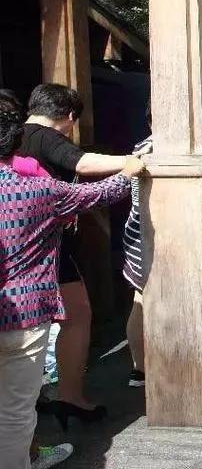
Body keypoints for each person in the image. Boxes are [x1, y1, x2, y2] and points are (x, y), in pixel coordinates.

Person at [0, 104, 141, 469]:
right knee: (16, 412)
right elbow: (99, 194)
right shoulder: (38, 190)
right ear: (15, 143)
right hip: (23, 316)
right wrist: (130, 170)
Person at [17, 83, 133, 423]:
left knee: (36, 323)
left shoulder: (15, 135)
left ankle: (39, 399)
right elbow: (82, 163)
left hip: (20, 242)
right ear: (69, 116)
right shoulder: (47, 137)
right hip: (48, 244)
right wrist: (131, 162)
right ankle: (68, 397)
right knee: (75, 316)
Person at [122, 121, 154, 388]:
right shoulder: (149, 149)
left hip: (142, 229)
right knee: (143, 298)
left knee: (141, 297)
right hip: (147, 231)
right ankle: (142, 367)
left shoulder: (142, 146)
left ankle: (140, 368)